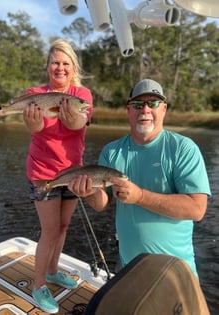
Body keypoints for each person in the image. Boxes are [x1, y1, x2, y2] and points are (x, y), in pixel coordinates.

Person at [68, 78, 211, 278]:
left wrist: (140, 196)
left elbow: (197, 209)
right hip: (128, 268)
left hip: (175, 271)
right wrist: (88, 192)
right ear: (128, 110)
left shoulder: (183, 149)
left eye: (152, 104)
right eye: (137, 104)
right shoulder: (112, 151)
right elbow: (101, 204)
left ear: (164, 109)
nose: (145, 110)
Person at [23, 39, 93, 314]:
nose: (60, 67)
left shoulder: (81, 94)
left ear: (74, 67)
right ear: (47, 66)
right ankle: (38, 285)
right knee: (50, 231)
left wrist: (70, 114)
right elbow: (36, 125)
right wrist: (32, 120)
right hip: (43, 172)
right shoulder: (35, 93)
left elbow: (79, 122)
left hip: (73, 173)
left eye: (66, 63)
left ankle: (52, 271)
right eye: (55, 62)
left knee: (63, 228)